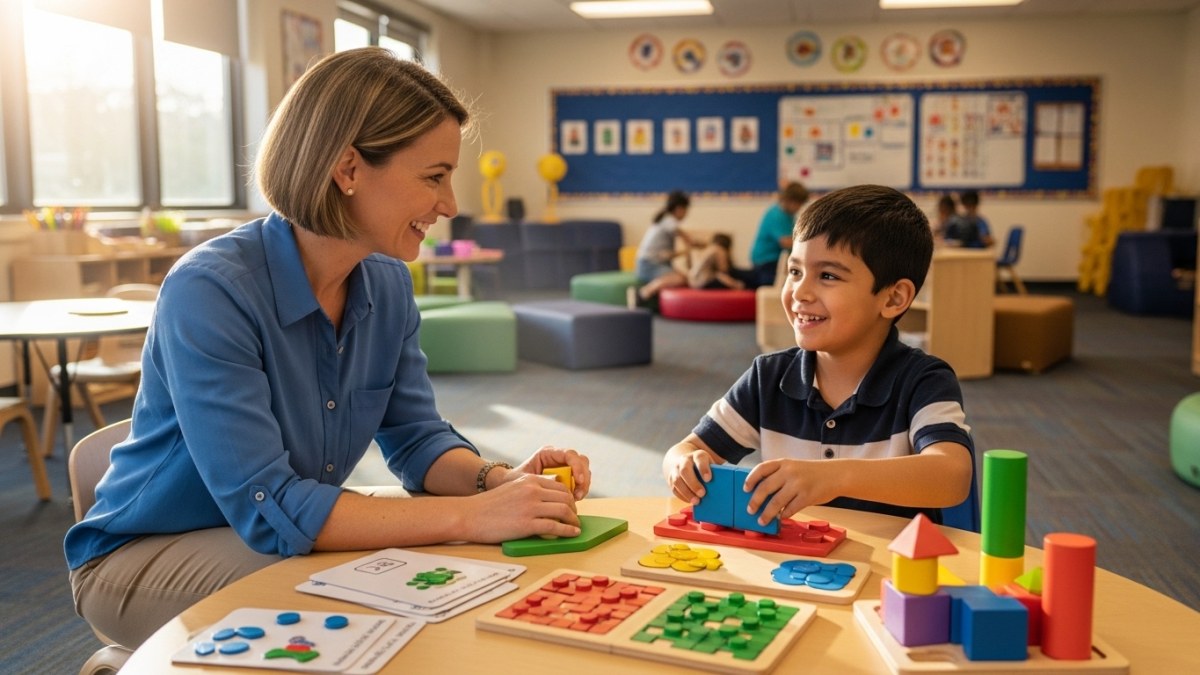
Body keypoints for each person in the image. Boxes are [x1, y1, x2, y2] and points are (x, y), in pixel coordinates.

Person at [64, 48, 591, 649]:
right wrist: (471, 517)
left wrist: (494, 482)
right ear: (347, 169)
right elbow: (273, 508)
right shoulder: (210, 290)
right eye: (434, 176)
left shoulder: (387, 282)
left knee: (454, 571)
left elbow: (417, 439)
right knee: (381, 603)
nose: (449, 204)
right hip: (145, 555)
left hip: (276, 532)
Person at [662, 184, 973, 527]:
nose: (800, 291)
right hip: (792, 570)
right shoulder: (769, 377)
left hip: (890, 572)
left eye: (827, 275)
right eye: (795, 271)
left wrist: (833, 477)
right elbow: (686, 448)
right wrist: (682, 464)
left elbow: (952, 475)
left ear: (893, 298)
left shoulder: (922, 380)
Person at [630, 190, 698, 305]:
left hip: (649, 262)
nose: (686, 214)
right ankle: (643, 293)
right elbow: (668, 253)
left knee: (683, 276)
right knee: (681, 278)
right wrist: (686, 250)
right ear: (679, 209)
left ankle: (649, 294)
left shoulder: (664, 219)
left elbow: (687, 240)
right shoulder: (669, 221)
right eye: (686, 210)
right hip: (648, 264)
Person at [750, 181, 810, 287]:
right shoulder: (776, 215)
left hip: (774, 259)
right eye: (798, 204)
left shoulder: (789, 216)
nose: (799, 208)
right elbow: (786, 242)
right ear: (790, 200)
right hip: (766, 261)